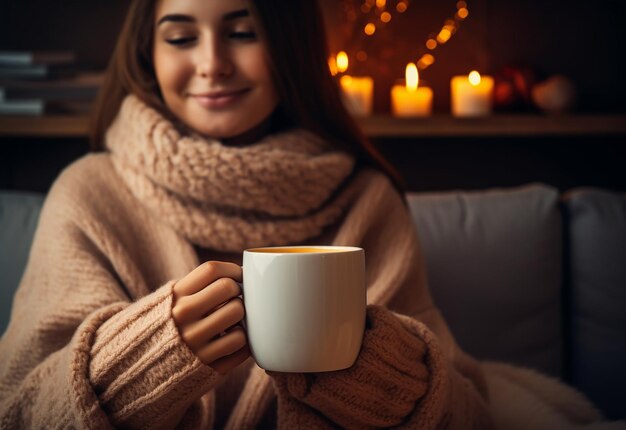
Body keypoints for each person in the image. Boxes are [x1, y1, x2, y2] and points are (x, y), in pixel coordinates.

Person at [0, 1, 615, 429]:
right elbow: (20, 410)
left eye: (243, 32)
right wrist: (146, 360)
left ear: (289, 47)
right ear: (147, 53)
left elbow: (461, 414)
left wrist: (369, 369)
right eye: (180, 36)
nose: (211, 62)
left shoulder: (366, 199)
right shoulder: (89, 194)